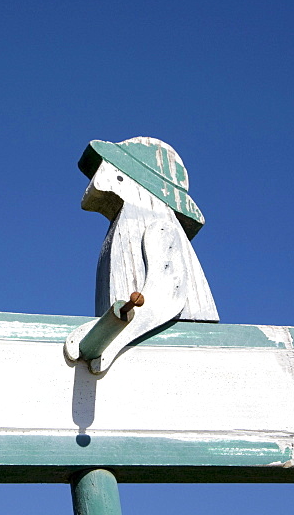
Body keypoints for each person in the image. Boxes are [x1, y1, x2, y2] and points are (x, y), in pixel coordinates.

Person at [66, 137, 218, 372]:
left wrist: (111, 341)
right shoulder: (123, 227)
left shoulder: (160, 226)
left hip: (176, 343)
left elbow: (165, 297)